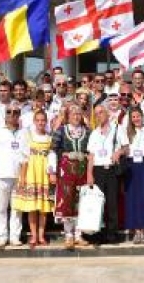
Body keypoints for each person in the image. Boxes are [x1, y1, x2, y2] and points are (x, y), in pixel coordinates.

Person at [0, 102, 30, 249]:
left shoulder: (25, 132)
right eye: (9, 112)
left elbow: (27, 156)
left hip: (19, 176)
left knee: (17, 208)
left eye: (16, 112)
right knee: (0, 208)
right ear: (5, 114)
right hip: (1, 175)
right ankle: (2, 237)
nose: (12, 115)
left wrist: (25, 177)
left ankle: (15, 237)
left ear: (19, 115)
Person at [13, 110, 56, 249]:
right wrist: (23, 176)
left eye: (43, 120)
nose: (41, 123)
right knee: (32, 206)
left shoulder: (50, 138)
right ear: (34, 121)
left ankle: (41, 234)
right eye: (38, 120)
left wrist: (51, 173)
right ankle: (33, 235)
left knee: (43, 207)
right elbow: (24, 157)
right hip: (32, 171)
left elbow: (52, 157)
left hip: (43, 172)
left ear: (46, 121)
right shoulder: (28, 136)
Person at [84, 104, 124, 245]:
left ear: (107, 113)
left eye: (101, 112)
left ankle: (112, 234)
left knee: (112, 202)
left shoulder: (118, 129)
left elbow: (127, 147)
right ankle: (98, 234)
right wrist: (89, 174)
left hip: (112, 170)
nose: (99, 115)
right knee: (98, 204)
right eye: (96, 113)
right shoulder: (94, 133)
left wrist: (119, 152)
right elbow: (91, 155)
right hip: (98, 170)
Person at [53, 104, 91, 250]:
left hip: (82, 168)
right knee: (67, 201)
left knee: (81, 201)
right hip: (66, 169)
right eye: (73, 114)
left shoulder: (87, 131)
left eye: (78, 114)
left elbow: (90, 151)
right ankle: (68, 235)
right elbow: (53, 150)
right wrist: (52, 171)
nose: (76, 116)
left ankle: (78, 234)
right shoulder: (61, 131)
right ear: (67, 116)